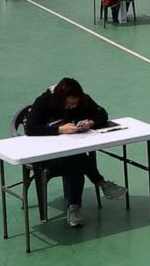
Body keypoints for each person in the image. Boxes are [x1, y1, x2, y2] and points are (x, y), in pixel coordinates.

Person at [22, 78, 128, 228]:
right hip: (46, 155)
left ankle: (75, 207)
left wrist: (90, 123)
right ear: (59, 98)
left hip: (71, 153)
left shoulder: (82, 99)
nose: (72, 107)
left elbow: (102, 114)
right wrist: (59, 130)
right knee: (76, 158)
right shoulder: (44, 101)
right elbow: (30, 128)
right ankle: (100, 184)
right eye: (69, 104)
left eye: (75, 104)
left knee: (74, 159)